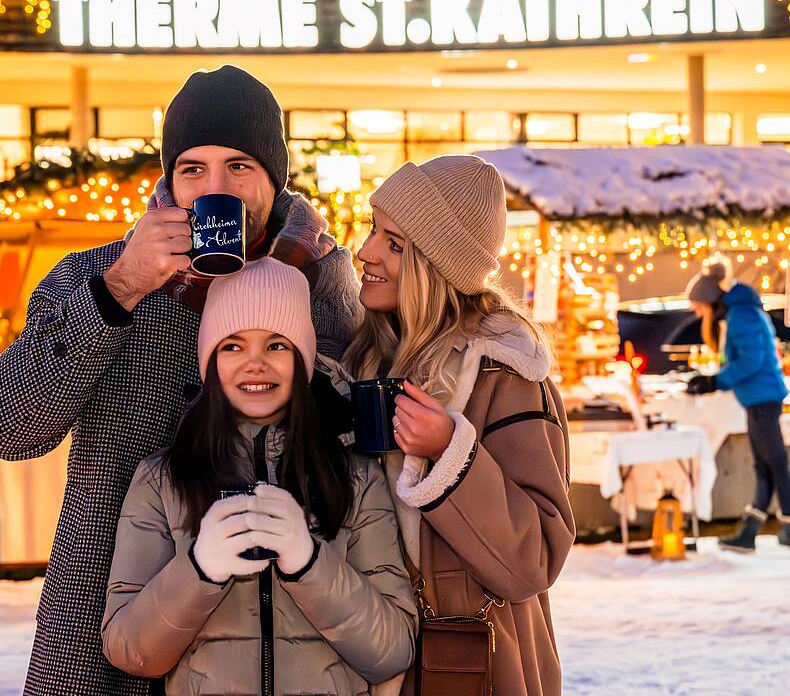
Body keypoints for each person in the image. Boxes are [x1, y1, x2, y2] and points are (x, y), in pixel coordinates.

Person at [0, 65, 361, 695]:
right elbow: (16, 429)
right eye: (192, 169)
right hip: (105, 623)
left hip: (276, 637)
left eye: (240, 167)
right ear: (169, 178)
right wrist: (119, 290)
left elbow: (357, 461)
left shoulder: (324, 282)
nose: (212, 188)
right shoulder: (96, 276)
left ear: (275, 178)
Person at [101, 257, 416, 694]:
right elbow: (130, 652)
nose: (255, 363)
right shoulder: (162, 480)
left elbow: (393, 652)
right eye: (232, 346)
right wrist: (200, 569)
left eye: (276, 345)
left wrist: (308, 561)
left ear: (302, 359)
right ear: (208, 360)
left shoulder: (357, 478)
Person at [342, 155, 575, 696]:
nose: (366, 252)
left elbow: (534, 558)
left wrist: (452, 453)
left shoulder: (504, 374)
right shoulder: (365, 360)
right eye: (375, 229)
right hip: (372, 652)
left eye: (394, 243)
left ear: (436, 264)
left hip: (471, 661)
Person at [686, 259, 790, 552]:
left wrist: (715, 381)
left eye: (698, 306)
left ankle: (784, 527)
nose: (696, 312)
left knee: (776, 463)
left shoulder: (743, 315)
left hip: (763, 397)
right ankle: (750, 531)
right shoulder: (740, 312)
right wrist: (713, 377)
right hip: (758, 397)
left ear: (710, 300)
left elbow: (750, 361)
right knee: (766, 465)